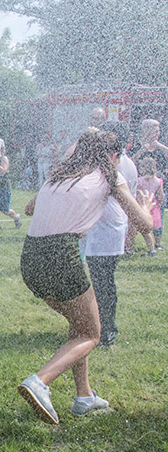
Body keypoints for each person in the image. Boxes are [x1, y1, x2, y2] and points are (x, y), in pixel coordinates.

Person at [18, 130, 153, 424]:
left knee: (78, 324)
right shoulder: (110, 175)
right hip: (61, 254)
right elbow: (144, 225)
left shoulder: (59, 174)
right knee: (92, 333)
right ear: (113, 156)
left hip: (30, 257)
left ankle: (84, 396)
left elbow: (29, 208)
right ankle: (39, 382)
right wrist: (146, 205)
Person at [82, 130, 138, 348]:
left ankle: (106, 332)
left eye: (101, 151)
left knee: (103, 286)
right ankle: (101, 328)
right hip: (106, 232)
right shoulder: (121, 165)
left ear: (114, 154)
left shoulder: (112, 171)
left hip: (106, 235)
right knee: (102, 284)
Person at [136, 157, 164, 256]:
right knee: (155, 228)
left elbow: (137, 194)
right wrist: (158, 205)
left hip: (142, 205)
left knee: (143, 228)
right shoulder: (158, 181)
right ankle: (157, 244)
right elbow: (161, 196)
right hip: (153, 205)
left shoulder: (139, 180)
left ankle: (150, 249)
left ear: (143, 168)